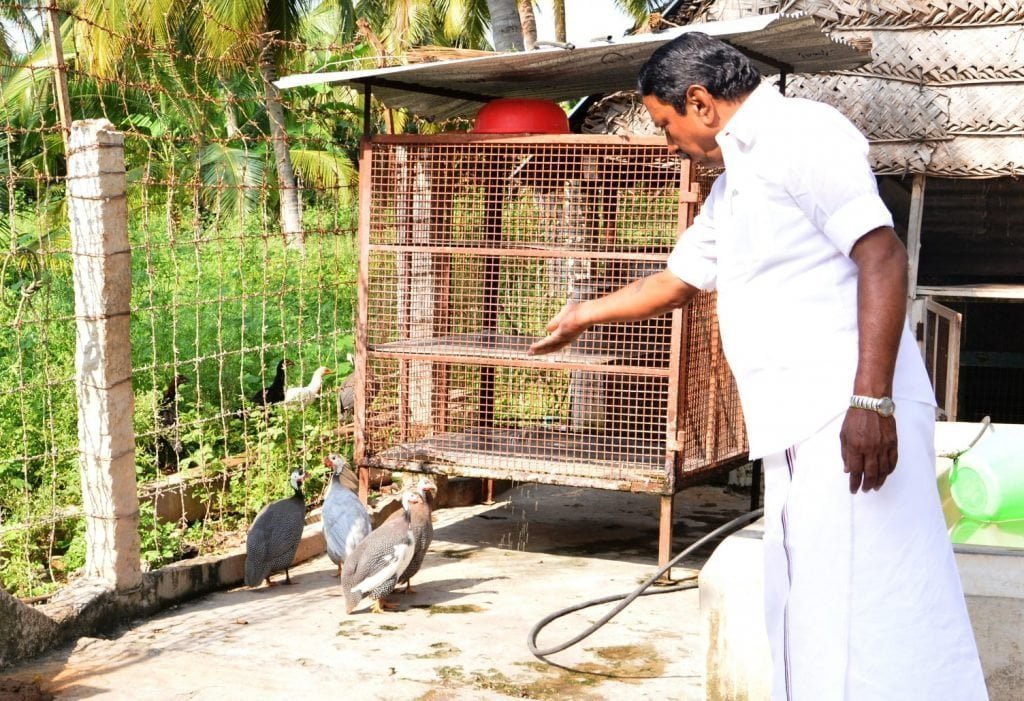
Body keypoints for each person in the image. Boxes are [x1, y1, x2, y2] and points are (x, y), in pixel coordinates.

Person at [529, 32, 987, 700]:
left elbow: (882, 254)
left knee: (883, 607)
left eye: (666, 125)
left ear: (700, 102)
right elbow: (680, 279)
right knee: (815, 606)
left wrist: (871, 403)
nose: (669, 143)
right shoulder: (735, 184)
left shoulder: (801, 135)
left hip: (852, 415)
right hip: (803, 426)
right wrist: (583, 314)